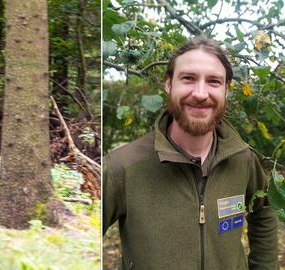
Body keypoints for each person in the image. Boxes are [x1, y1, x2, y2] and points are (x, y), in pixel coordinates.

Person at [103, 37, 278, 270]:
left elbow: (263, 212)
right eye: (188, 78)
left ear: (226, 90)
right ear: (169, 84)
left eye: (214, 81)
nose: (200, 93)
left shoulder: (242, 159)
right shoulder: (121, 167)